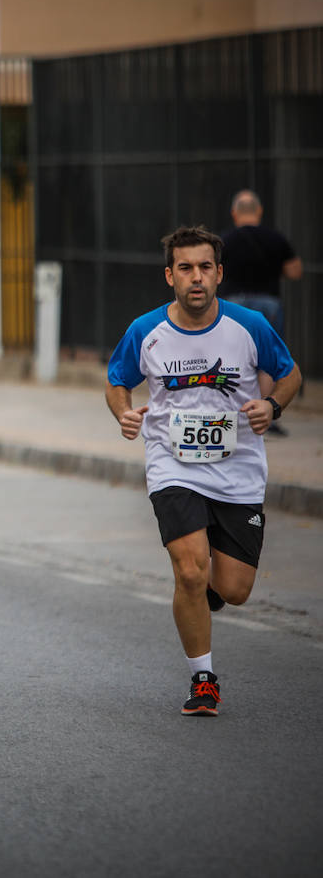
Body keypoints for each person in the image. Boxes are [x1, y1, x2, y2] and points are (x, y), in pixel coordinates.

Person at [105, 225, 301, 717]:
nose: (197, 278)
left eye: (206, 268)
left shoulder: (250, 325)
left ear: (220, 273)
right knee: (190, 570)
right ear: (170, 275)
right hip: (174, 464)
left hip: (238, 468)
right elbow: (117, 382)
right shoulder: (145, 331)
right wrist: (124, 412)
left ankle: (211, 589)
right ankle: (203, 679)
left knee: (233, 590)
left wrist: (272, 407)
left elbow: (290, 373)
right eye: (186, 268)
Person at [219, 190, 302, 435]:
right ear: (259, 211)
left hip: (234, 303)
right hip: (268, 303)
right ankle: (265, 414)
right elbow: (295, 271)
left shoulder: (225, 240)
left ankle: (234, 409)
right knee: (266, 360)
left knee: (232, 357)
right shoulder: (276, 238)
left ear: (234, 213)